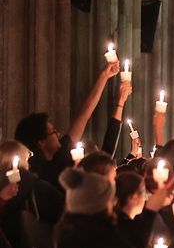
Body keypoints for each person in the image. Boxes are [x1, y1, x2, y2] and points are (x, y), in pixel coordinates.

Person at [14, 61, 119, 190]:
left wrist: (104, 76)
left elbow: (84, 115)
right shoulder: (44, 169)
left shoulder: (57, 157)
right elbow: (84, 115)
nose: (58, 134)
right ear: (41, 142)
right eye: (53, 131)